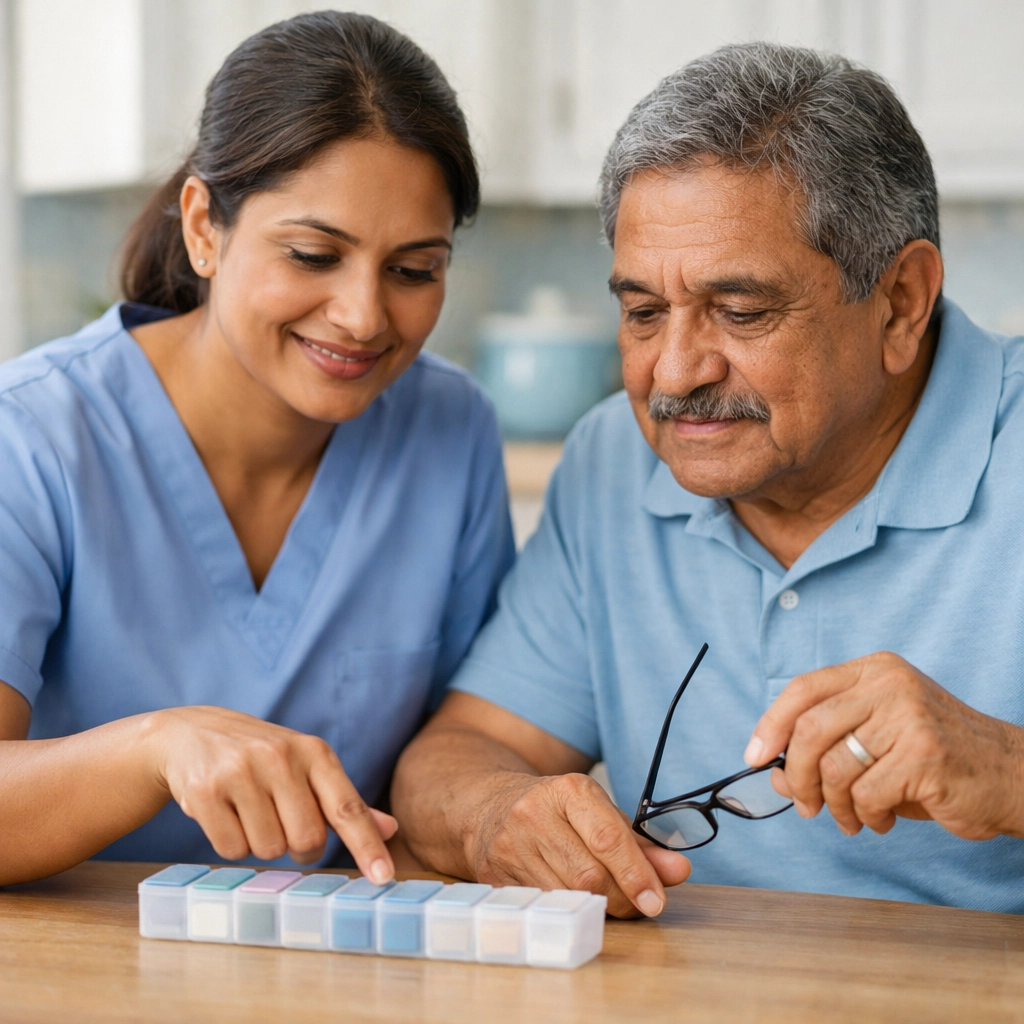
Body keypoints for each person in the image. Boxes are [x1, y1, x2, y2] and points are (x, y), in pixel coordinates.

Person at [392, 42, 1024, 918]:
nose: (676, 373)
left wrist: (1007, 771)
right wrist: (497, 812)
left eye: (741, 311)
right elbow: (457, 752)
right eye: (643, 312)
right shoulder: (613, 458)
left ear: (901, 302)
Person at [0, 11, 514, 886]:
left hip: (340, 949)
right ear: (204, 226)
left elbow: (464, 748)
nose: (363, 316)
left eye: (413, 270)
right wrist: (154, 748)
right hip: (83, 954)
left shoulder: (450, 428)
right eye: (313, 254)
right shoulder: (31, 439)